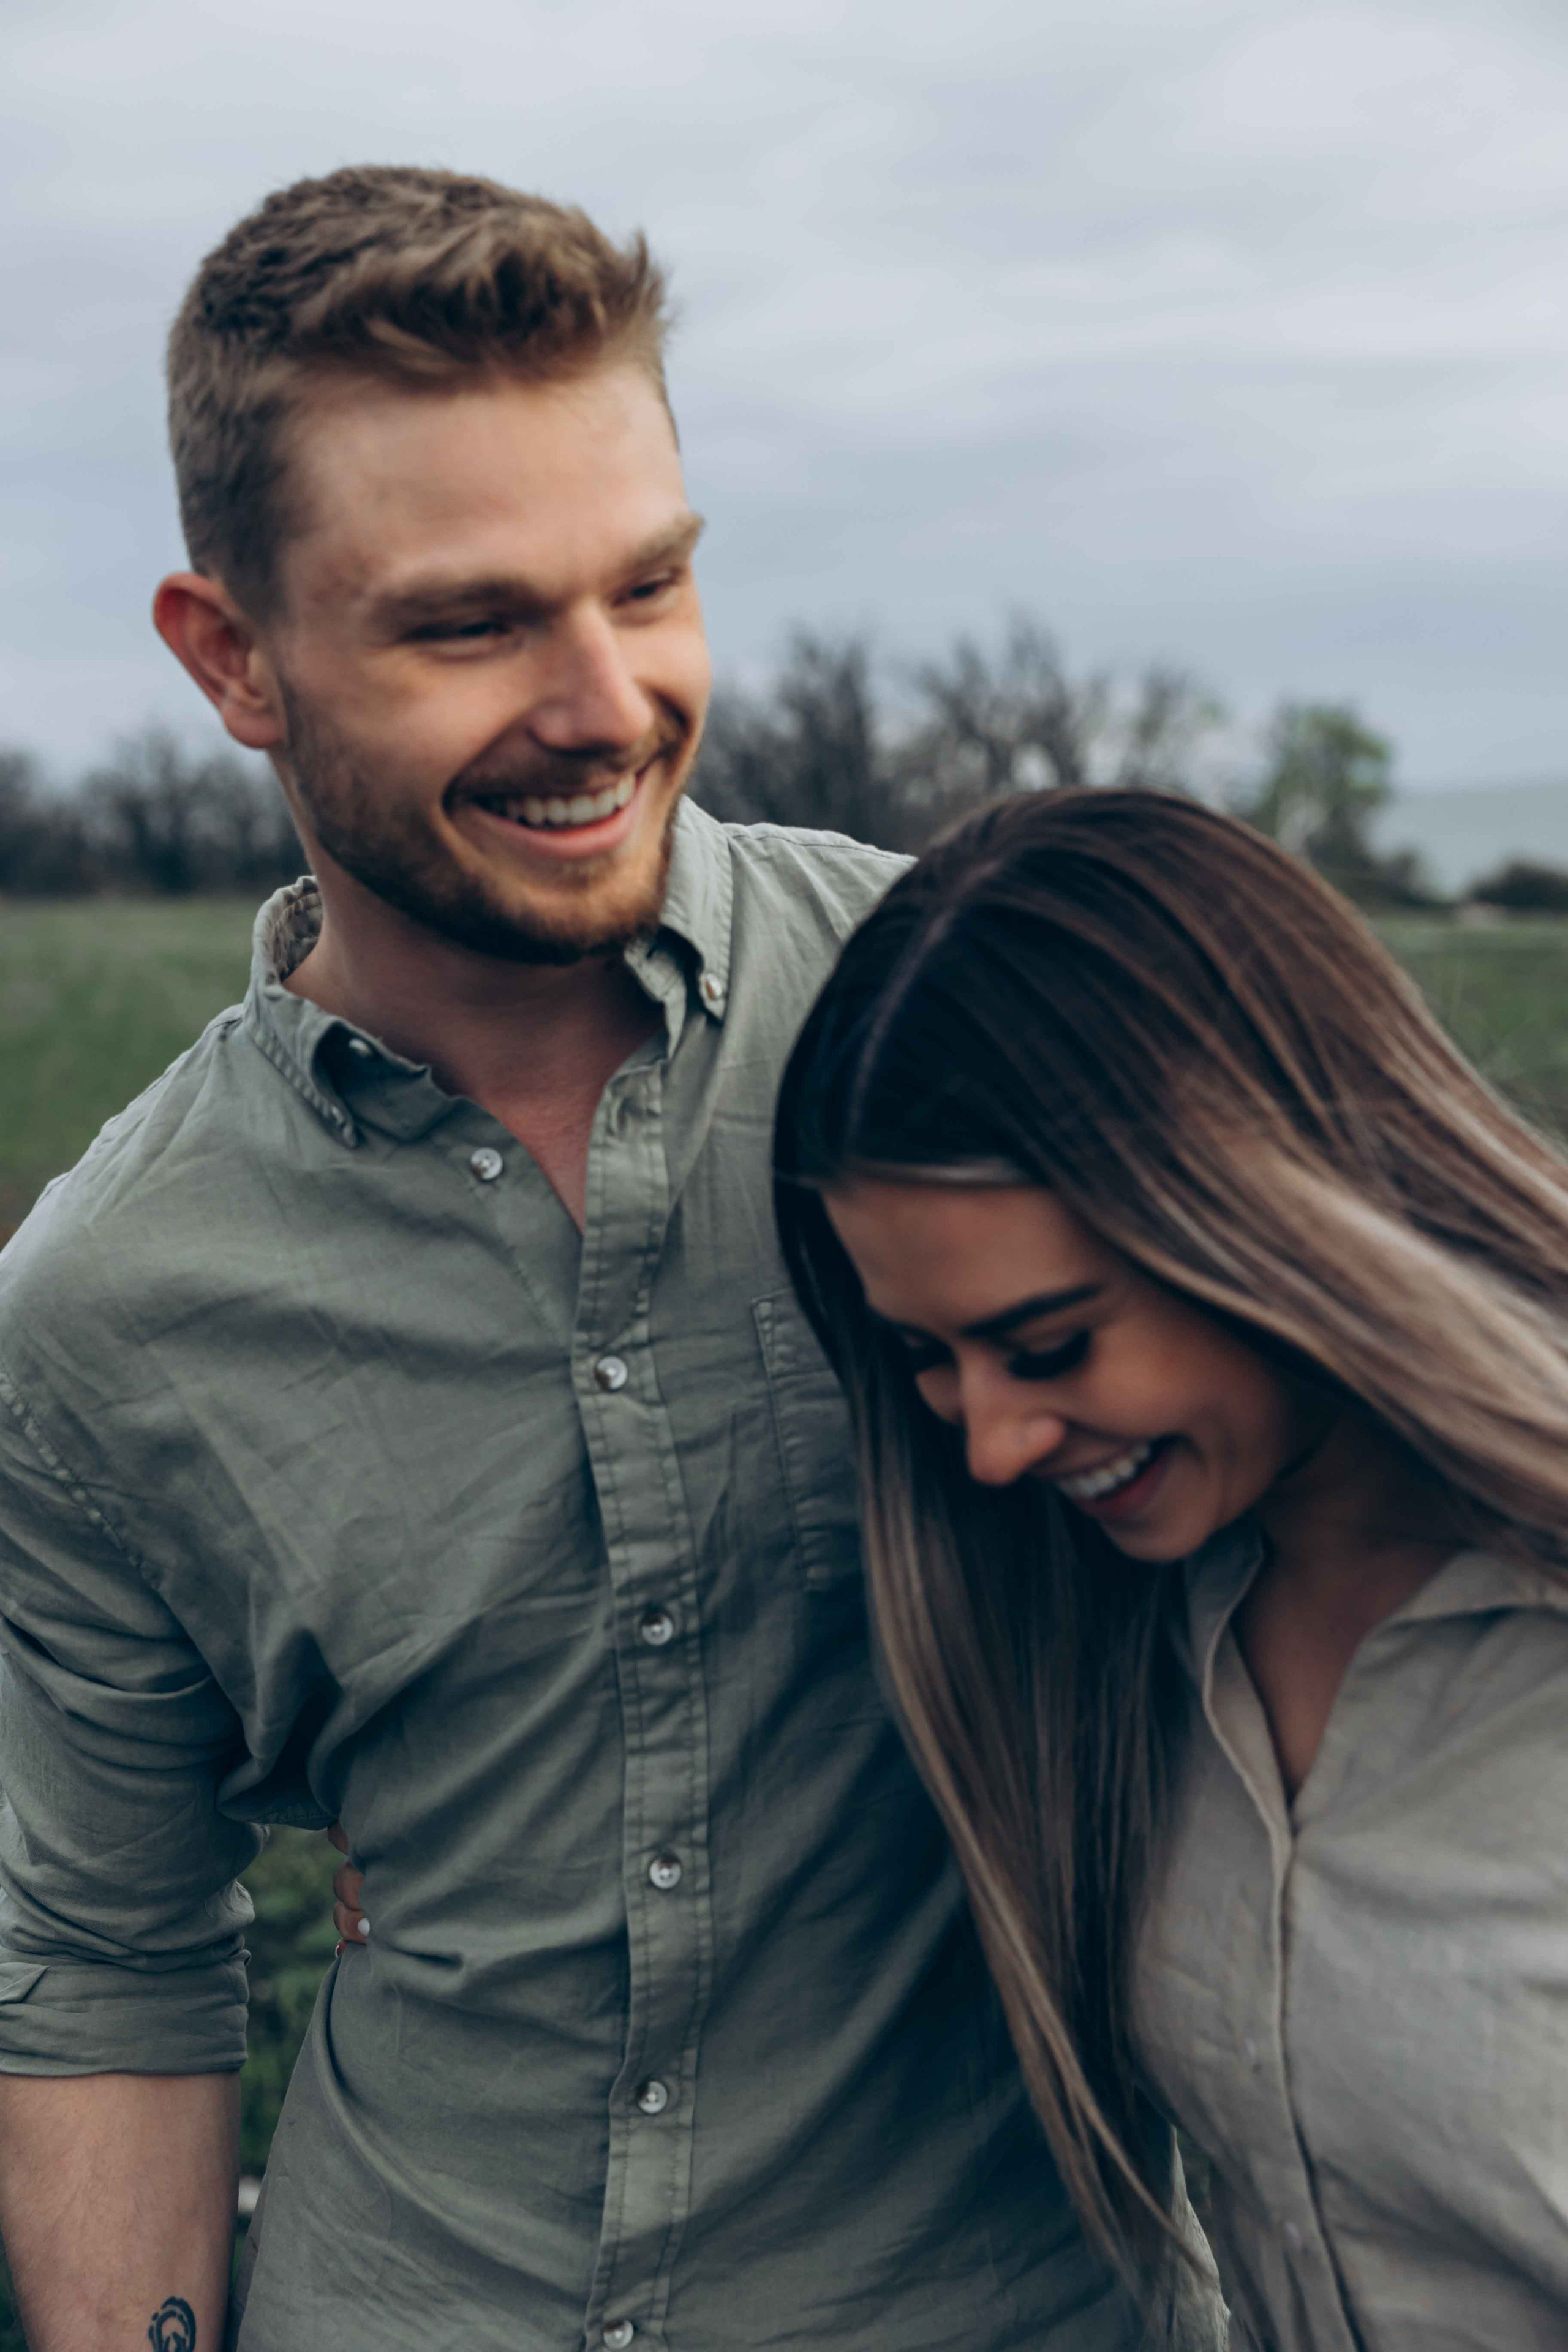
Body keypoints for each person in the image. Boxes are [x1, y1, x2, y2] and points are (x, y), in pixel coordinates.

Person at [0, 168, 1212, 2352]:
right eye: (470, 626)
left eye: (648, 585)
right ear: (231, 658)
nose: (606, 702)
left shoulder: (987, 1028)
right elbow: (105, 1959)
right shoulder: (104, 1307)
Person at [770, 783, 1568, 2350]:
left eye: (1048, 1345)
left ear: (1270, 1217)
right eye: (925, 1356)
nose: (988, 1445)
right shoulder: (1116, 1626)